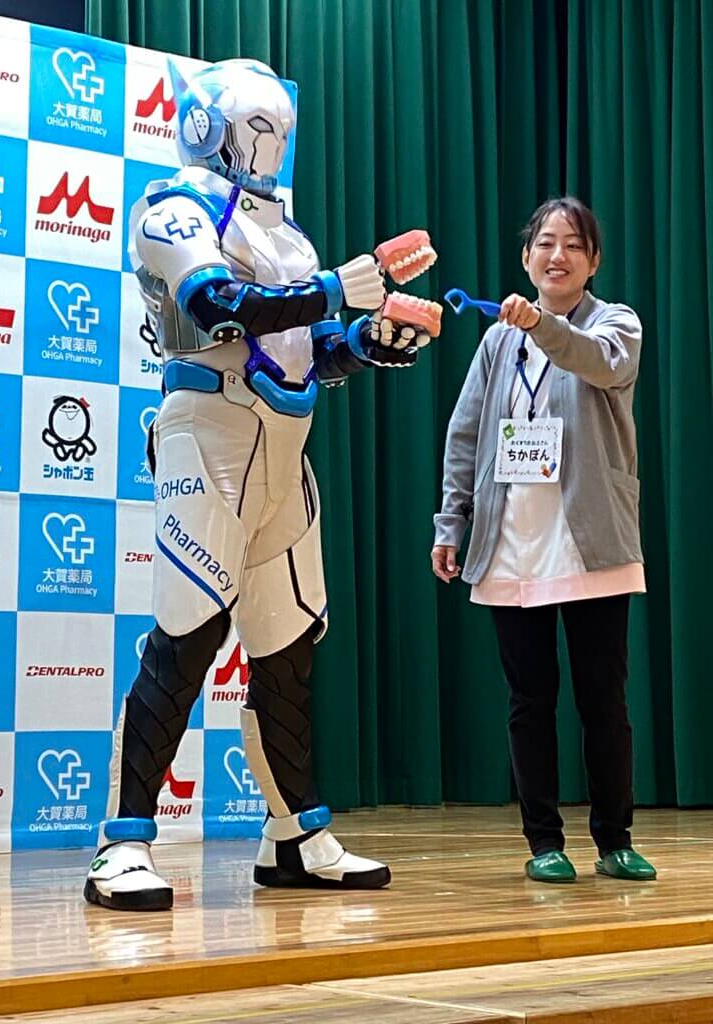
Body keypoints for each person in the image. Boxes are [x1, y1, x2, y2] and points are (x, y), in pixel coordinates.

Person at [85, 58, 437, 911]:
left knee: (287, 647)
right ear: (209, 127)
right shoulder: (175, 207)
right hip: (208, 434)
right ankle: (122, 843)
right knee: (186, 637)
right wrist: (333, 290)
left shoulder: (289, 237)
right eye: (255, 128)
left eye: (278, 129)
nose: (270, 146)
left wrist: (366, 343)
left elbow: (302, 352)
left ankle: (295, 833)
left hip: (283, 449)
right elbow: (216, 307)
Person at [432, 197, 657, 884]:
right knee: (529, 701)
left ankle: (615, 839)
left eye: (574, 245)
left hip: (592, 543)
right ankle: (543, 842)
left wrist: (542, 326)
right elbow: (465, 434)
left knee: (603, 699)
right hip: (513, 544)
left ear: (594, 262)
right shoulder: (497, 341)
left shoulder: (615, 323)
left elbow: (598, 364)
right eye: (546, 243)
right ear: (526, 257)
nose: (558, 256)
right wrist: (451, 522)